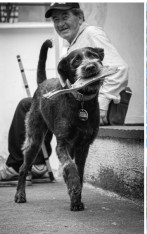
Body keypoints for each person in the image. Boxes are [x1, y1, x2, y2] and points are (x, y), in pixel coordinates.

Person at [0, 3, 129, 186]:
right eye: (56, 20)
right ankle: (37, 165)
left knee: (27, 105)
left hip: (92, 111)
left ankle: (18, 166)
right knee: (36, 104)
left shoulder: (91, 34)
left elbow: (120, 69)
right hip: (76, 107)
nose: (60, 24)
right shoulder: (71, 44)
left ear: (80, 17)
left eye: (65, 17)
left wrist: (102, 105)